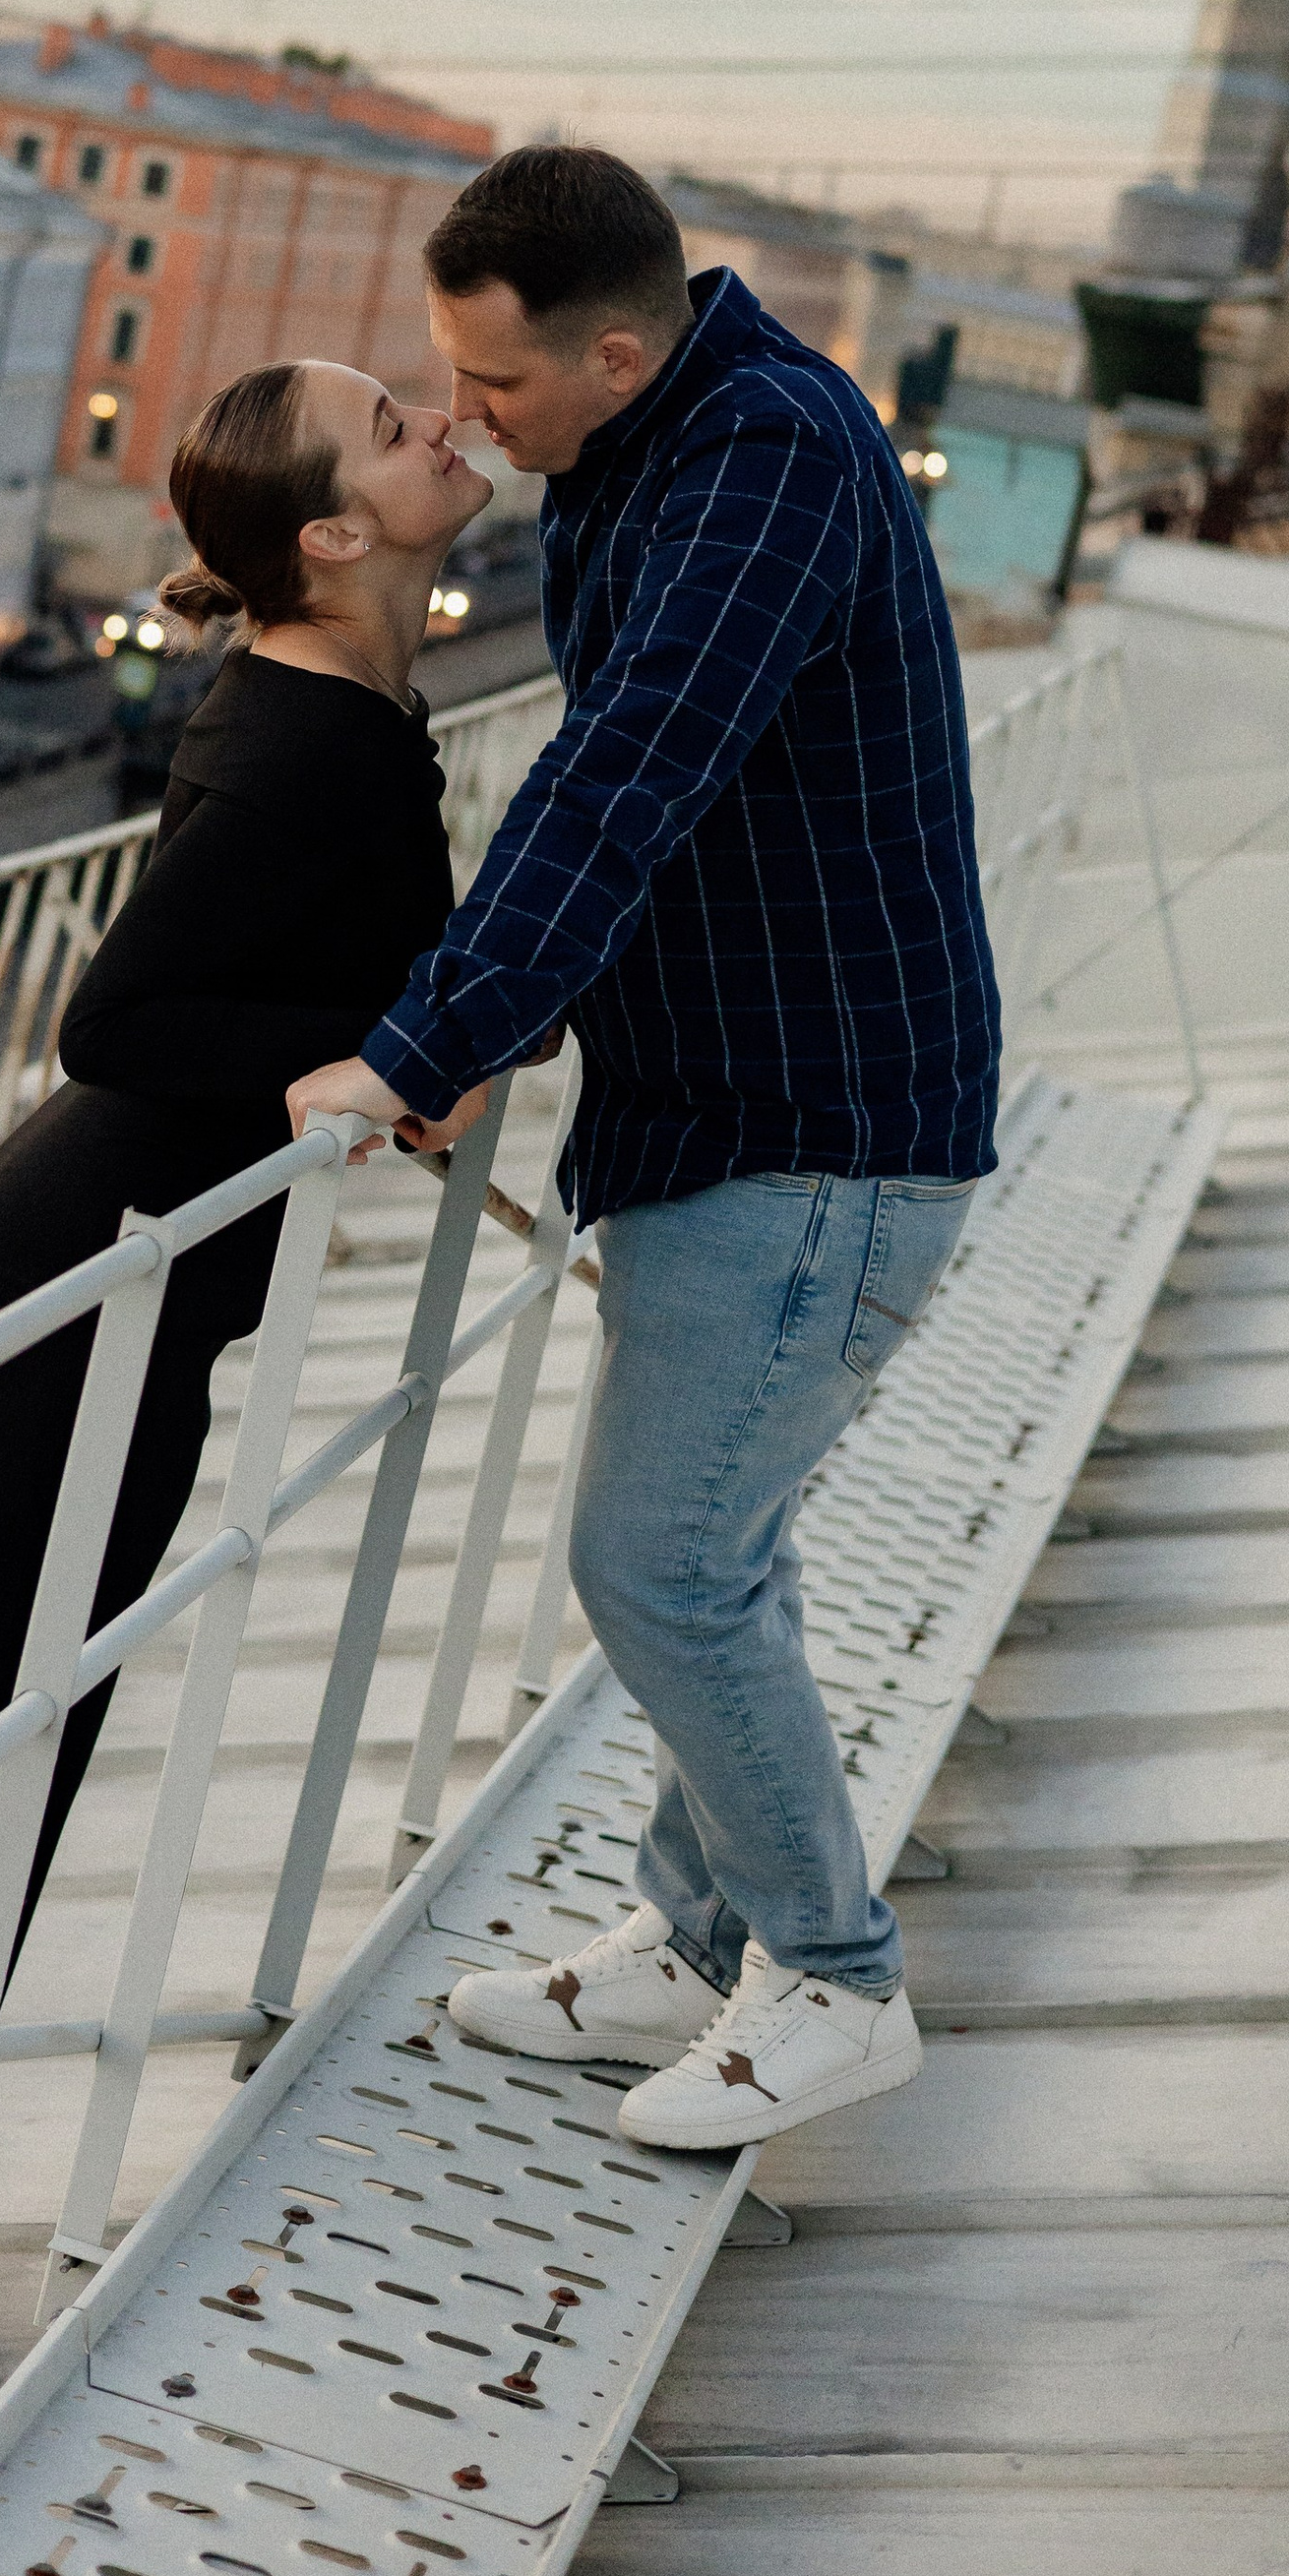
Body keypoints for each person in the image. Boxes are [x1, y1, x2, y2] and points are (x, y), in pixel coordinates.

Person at [0, 355, 491, 2410]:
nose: (433, 428)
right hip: (87, 1277)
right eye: (391, 426)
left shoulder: (347, 706)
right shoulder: (308, 736)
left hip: (119, 1274)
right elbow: (115, 1016)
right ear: (325, 535)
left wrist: (380, 1050)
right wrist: (334, 1066)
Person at [288, 145, 1000, 2157]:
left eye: (490, 386)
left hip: (821, 1127)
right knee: (713, 1552)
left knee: (661, 1567)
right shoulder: (649, 439)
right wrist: (477, 1022)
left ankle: (830, 1978)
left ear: (615, 346)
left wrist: (423, 1039)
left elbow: (624, 772)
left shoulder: (758, 459)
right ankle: (692, 1950)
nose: (466, 423)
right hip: (737, 1113)